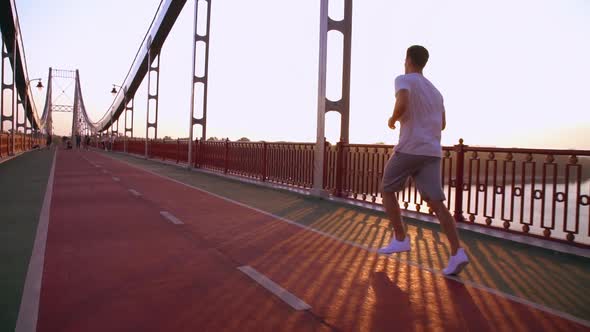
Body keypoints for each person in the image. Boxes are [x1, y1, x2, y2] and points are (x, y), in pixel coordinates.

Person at [378, 45, 469, 276]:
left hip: (410, 147)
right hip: (432, 151)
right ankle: (457, 251)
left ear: (408, 59)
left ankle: (400, 238)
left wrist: (392, 118)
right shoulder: (436, 91)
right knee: (437, 203)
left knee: (387, 189)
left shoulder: (403, 79)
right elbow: (443, 124)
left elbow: (403, 103)